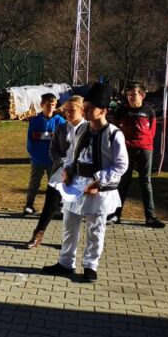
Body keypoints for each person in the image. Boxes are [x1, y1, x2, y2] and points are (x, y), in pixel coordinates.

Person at [43, 83, 128, 283]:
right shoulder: (80, 130)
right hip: (76, 184)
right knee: (69, 225)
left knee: (95, 229)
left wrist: (99, 182)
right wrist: (67, 169)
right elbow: (71, 154)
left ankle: (90, 265)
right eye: (85, 107)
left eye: (90, 108)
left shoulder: (114, 134)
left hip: (98, 189)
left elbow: (121, 165)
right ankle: (66, 262)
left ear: (103, 110)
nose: (85, 111)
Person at [26, 96, 86, 248]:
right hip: (60, 172)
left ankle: (70, 240)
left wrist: (74, 168)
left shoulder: (88, 129)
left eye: (72, 111)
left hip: (79, 175)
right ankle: (38, 234)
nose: (68, 114)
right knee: (50, 204)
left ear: (82, 110)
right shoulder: (61, 127)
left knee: (73, 210)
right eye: (66, 111)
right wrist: (63, 164)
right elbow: (53, 150)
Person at [110, 82, 165, 228]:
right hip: (126, 150)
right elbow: (114, 130)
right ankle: (115, 214)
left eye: (133, 94)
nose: (130, 97)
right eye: (128, 95)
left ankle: (150, 217)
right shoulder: (121, 110)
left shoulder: (149, 111)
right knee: (123, 182)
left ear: (142, 95)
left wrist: (144, 144)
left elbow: (152, 132)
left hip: (145, 149)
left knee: (145, 182)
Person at [24, 93, 66, 216]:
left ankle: (58, 206)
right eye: (48, 105)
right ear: (42, 105)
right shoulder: (35, 121)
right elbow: (30, 140)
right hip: (38, 159)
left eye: (53, 105)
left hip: (54, 161)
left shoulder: (60, 121)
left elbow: (63, 140)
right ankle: (29, 205)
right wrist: (33, 154)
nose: (51, 107)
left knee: (55, 184)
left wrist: (60, 157)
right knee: (34, 183)